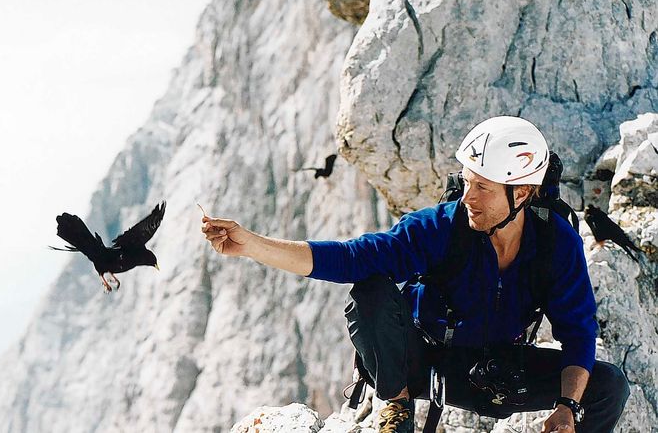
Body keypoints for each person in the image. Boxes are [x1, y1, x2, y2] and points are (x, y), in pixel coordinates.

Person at [200, 116, 630, 433]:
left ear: (522, 193)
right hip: (424, 364)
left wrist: (567, 406)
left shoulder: (555, 243)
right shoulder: (441, 227)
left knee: (609, 384)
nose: (468, 198)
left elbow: (578, 330)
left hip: (502, 372)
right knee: (369, 290)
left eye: (482, 187)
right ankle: (397, 410)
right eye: (465, 183)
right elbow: (352, 258)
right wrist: (253, 244)